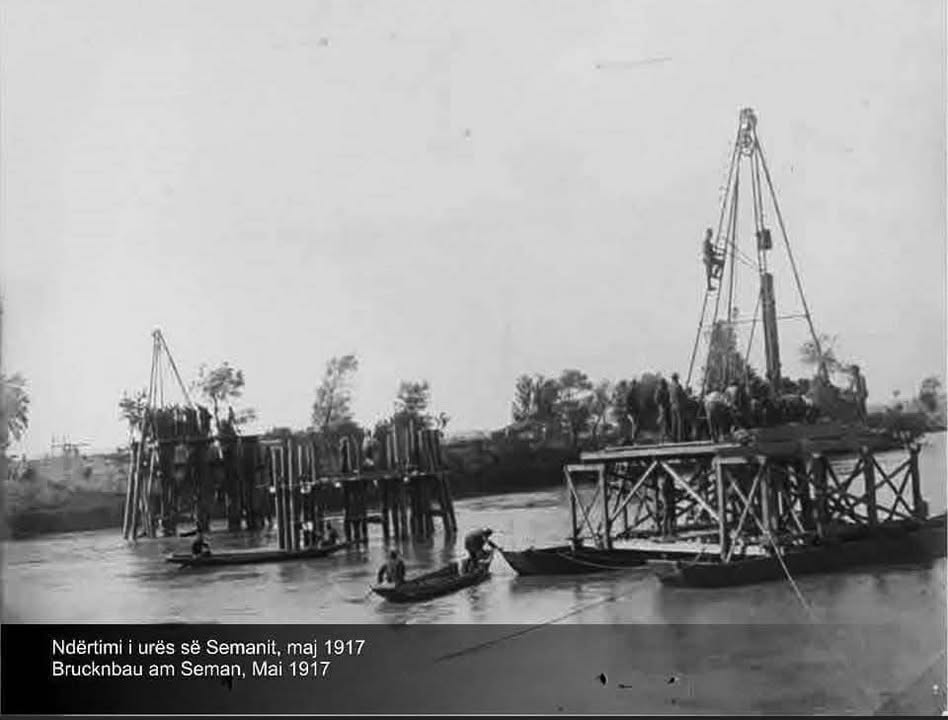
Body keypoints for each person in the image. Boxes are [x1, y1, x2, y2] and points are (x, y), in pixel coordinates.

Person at [668, 373, 685, 442]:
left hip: (672, 405)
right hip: (678, 405)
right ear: (676, 378)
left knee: (674, 423)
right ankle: (680, 438)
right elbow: (683, 395)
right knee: (680, 422)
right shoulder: (678, 386)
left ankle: (673, 438)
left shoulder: (670, 387)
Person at [654, 378, 671, 442]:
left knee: (666, 421)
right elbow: (656, 400)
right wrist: (661, 404)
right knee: (663, 421)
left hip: (667, 407)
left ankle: (665, 435)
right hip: (663, 407)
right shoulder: (659, 390)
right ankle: (662, 436)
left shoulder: (665, 390)